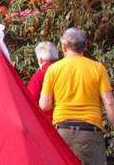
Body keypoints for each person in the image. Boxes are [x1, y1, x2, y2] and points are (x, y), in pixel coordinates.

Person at [40, 28, 114, 165]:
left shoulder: (53, 69)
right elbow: (109, 102)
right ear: (85, 45)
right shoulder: (98, 68)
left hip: (62, 132)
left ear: (64, 45)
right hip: (90, 131)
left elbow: (44, 105)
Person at [27, 41, 59, 122]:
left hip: (46, 123)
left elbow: (29, 101)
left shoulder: (39, 76)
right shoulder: (64, 72)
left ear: (40, 60)